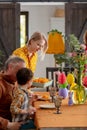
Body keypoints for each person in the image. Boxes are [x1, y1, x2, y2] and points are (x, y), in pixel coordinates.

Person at [0, 55, 26, 130]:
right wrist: (8, 125)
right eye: (20, 72)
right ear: (10, 67)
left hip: (15, 120)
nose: (22, 75)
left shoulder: (13, 81)